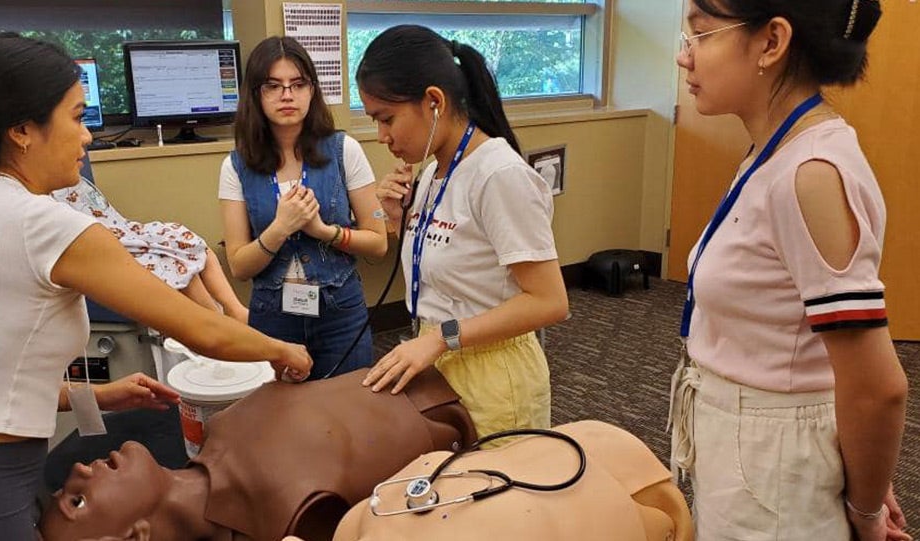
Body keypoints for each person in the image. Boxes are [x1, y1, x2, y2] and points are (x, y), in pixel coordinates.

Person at [0, 32, 312, 540]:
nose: (86, 138)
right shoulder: (42, 223)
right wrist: (284, 352)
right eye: (77, 117)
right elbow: (202, 331)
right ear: (21, 130)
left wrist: (98, 395)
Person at [667, 2, 909, 540]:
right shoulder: (774, 151)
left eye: (702, 35)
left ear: (772, 42)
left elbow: (877, 386)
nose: (685, 58)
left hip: (770, 461)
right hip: (752, 438)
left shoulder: (810, 173)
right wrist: (855, 458)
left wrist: (866, 509)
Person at [355, 25, 569, 442]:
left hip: (493, 374)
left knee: (496, 502)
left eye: (386, 119)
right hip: (440, 362)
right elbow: (454, 264)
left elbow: (550, 302)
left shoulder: (499, 175)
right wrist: (398, 220)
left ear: (434, 101)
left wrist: (440, 339)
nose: (382, 137)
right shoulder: (436, 169)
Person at [38, 367, 476, 541]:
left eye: (67, 488)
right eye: (78, 501)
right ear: (135, 536)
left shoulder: (220, 432)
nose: (79, 469)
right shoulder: (290, 514)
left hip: (420, 375)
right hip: (454, 426)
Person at [219, 36, 387, 380]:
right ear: (255, 94)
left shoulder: (345, 150)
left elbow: (378, 242)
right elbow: (239, 265)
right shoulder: (235, 166)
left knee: (349, 411)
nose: (287, 95)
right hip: (273, 317)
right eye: (273, 86)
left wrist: (324, 232)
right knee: (285, 421)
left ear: (312, 90)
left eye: (298, 84)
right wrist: (280, 228)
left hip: (341, 310)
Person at [335, 420, 693, 541]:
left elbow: (668, 518)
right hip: (591, 471)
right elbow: (669, 520)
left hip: (598, 465)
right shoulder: (365, 516)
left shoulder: (363, 517)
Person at [53, 178, 248, 323]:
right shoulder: (42, 202)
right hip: (106, 246)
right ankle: (217, 321)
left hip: (124, 230)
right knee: (175, 263)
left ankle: (235, 310)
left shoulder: (70, 175)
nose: (86, 137)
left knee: (184, 238)